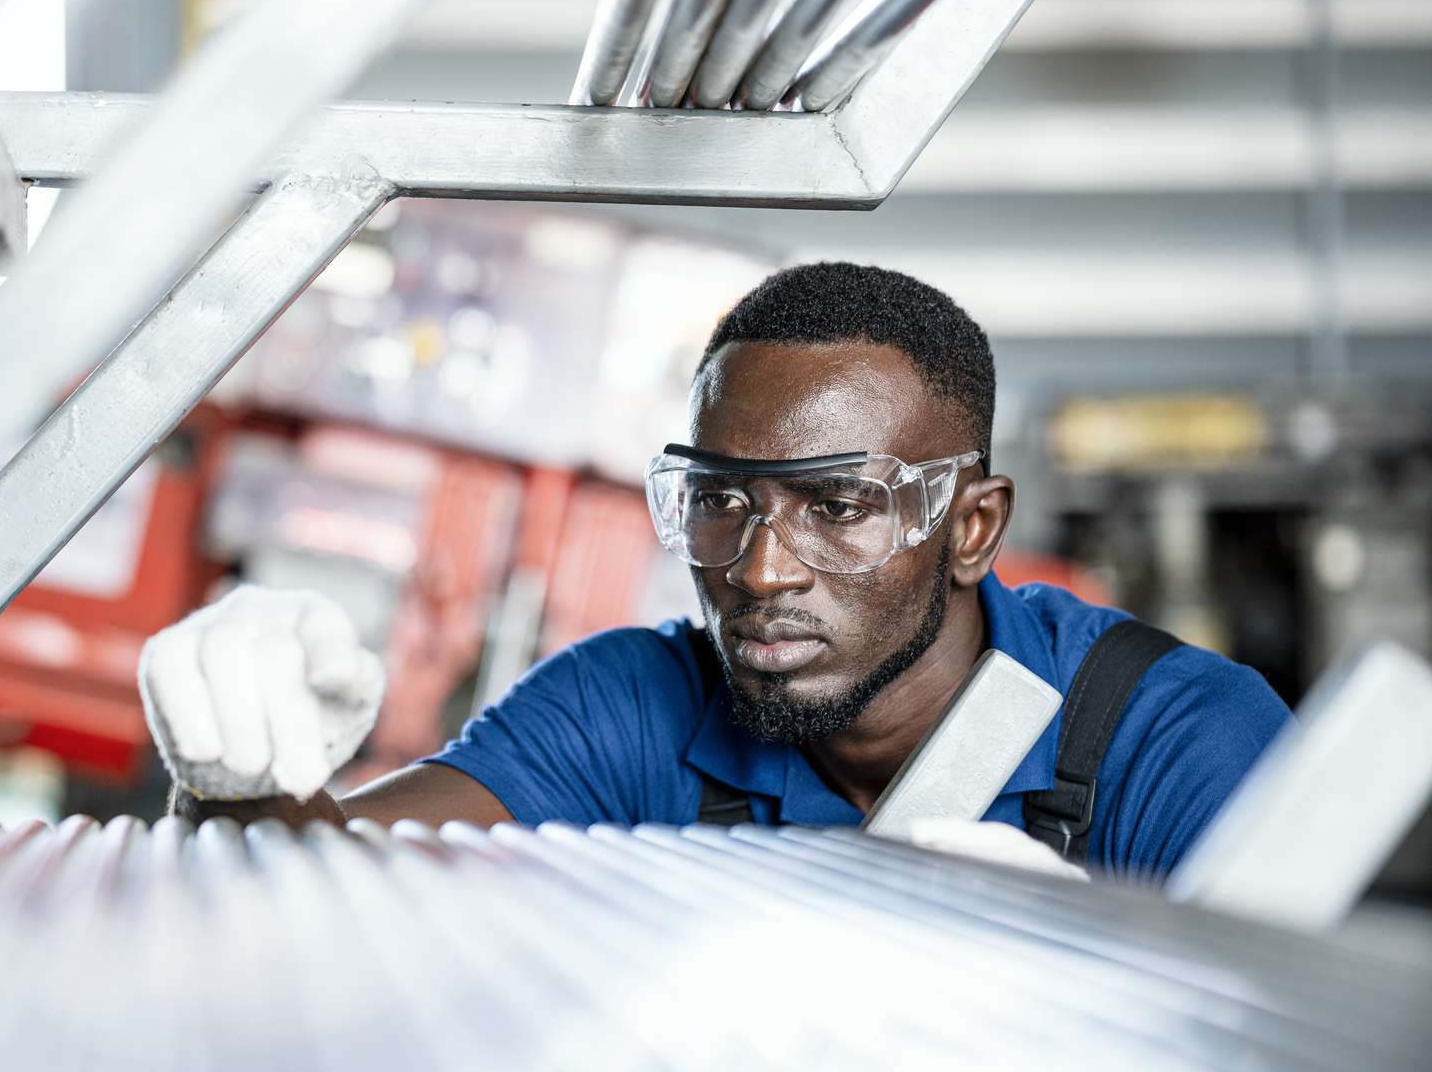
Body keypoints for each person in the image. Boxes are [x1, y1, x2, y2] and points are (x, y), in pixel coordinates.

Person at [138, 262, 1291, 876]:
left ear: (974, 526)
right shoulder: (630, 708)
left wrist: (1103, 977)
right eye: (718, 501)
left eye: (839, 505)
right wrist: (243, 771)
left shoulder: (1171, 739)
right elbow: (316, 895)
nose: (759, 567)